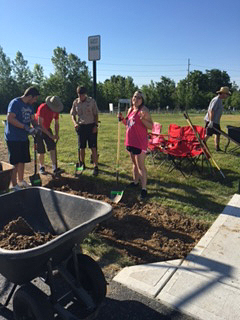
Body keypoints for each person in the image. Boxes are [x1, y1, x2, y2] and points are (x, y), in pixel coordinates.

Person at [118, 90, 153, 200]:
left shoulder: (144, 110)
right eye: (134, 97)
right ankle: (135, 182)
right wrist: (122, 119)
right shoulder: (130, 110)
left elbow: (151, 126)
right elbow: (128, 124)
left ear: (142, 100)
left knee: (141, 166)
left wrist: (143, 120)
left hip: (140, 142)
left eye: (138, 98)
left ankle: (144, 189)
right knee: (134, 163)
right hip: (130, 141)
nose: (135, 99)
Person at [4, 86, 40, 191]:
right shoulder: (15, 103)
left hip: (23, 137)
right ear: (29, 96)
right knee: (15, 161)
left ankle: (21, 180)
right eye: (35, 98)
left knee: (22, 160)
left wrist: (36, 127)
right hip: (13, 137)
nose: (35, 101)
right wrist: (26, 127)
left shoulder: (30, 106)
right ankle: (14, 184)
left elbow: (32, 119)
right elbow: (10, 118)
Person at [70, 86, 99, 176]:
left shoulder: (91, 102)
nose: (81, 96)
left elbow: (96, 114)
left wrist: (95, 125)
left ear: (85, 94)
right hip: (81, 127)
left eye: (82, 94)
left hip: (91, 126)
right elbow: (72, 114)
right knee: (81, 147)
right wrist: (75, 123)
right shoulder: (76, 102)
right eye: (79, 94)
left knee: (93, 147)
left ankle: (95, 166)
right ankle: (82, 164)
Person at [35, 96, 65, 176]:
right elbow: (40, 125)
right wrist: (50, 135)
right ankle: (41, 167)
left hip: (47, 128)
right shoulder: (42, 108)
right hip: (38, 129)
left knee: (52, 147)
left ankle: (54, 168)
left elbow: (56, 123)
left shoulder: (56, 110)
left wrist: (56, 134)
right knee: (41, 150)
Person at [204, 86, 231, 151]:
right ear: (223, 93)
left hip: (215, 121)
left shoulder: (220, 100)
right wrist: (211, 121)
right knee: (208, 134)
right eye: (226, 94)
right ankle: (201, 145)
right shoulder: (216, 100)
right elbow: (211, 110)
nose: (227, 96)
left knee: (218, 134)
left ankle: (217, 147)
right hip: (211, 120)